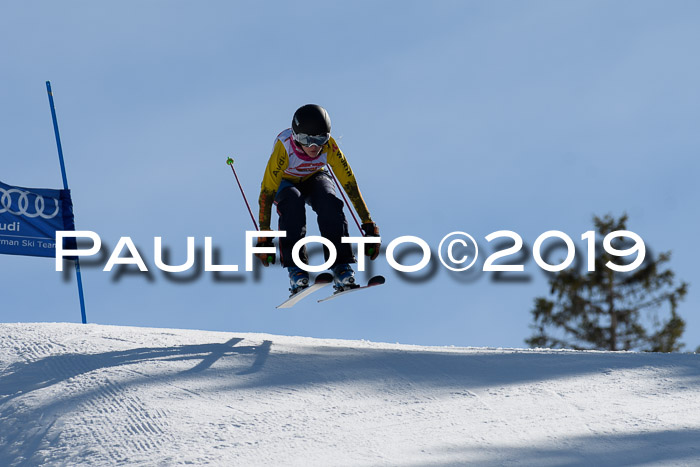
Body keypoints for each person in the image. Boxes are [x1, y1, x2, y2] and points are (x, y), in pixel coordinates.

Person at [255, 104, 380, 294]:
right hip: (285, 182)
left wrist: (368, 223)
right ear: (296, 137)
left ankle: (341, 267)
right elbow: (266, 193)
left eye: (320, 139)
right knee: (292, 203)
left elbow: (349, 184)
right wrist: (264, 235)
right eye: (306, 140)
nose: (314, 147)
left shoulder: (329, 147)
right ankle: (297, 270)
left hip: (314, 177)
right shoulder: (284, 147)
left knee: (329, 202)